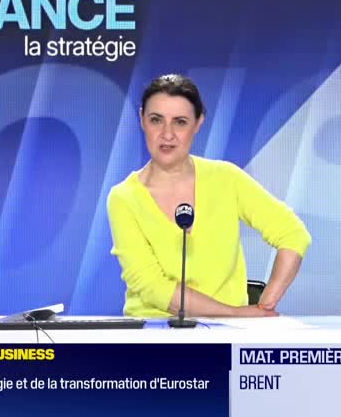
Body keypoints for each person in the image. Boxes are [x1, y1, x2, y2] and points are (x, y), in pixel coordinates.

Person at [107, 74, 311, 318]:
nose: (167, 134)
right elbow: (152, 287)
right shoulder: (124, 198)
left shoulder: (226, 178)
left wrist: (263, 307)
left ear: (198, 123)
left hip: (229, 332)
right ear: (142, 119)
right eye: (156, 120)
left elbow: (293, 234)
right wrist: (234, 313)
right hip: (155, 330)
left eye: (180, 122)